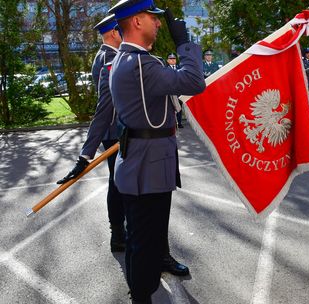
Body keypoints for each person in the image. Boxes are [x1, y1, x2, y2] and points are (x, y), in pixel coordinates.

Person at [108, 0, 205, 303]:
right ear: (137, 21)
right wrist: (185, 43)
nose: (160, 23)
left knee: (144, 239)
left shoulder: (132, 60)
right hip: (148, 168)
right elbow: (193, 82)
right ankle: (141, 296)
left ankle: (142, 289)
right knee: (144, 244)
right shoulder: (140, 64)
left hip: (145, 163)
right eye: (154, 18)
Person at [57, 14, 125, 252]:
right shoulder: (110, 59)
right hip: (116, 131)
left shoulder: (107, 56)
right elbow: (106, 107)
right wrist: (85, 155)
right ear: (115, 32)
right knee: (118, 184)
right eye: (122, 29)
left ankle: (121, 231)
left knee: (118, 183)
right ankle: (118, 234)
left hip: (113, 130)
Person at [166, 52, 183, 128]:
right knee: (171, 107)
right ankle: (172, 122)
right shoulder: (165, 69)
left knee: (179, 107)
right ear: (167, 60)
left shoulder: (180, 68)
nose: (172, 60)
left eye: (174, 58)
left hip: (179, 91)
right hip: (170, 91)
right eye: (171, 58)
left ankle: (179, 122)